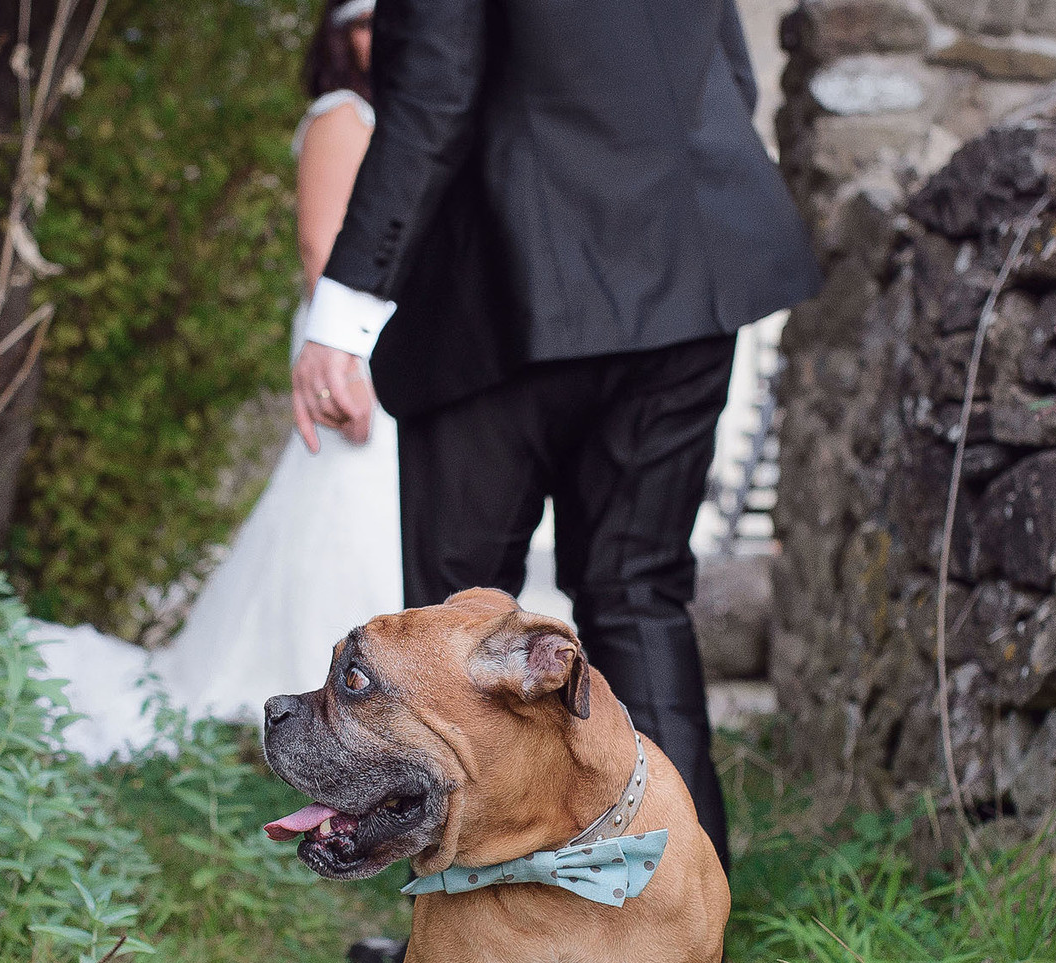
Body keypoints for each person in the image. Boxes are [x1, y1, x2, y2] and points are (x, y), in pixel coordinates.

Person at [290, 0, 819, 876]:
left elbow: (431, 100)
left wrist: (340, 315)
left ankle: (475, 939)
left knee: (459, 624)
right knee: (639, 596)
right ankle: (683, 931)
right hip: (686, 280)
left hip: (496, 300)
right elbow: (730, 75)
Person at [35, 0, 406, 758]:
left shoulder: (397, 124)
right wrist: (349, 360)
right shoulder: (344, 115)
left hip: (382, 340)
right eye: (364, 20)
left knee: (363, 511)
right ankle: (319, 695)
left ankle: (363, 705)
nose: (382, 34)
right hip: (351, 345)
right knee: (341, 503)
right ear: (339, 36)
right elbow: (320, 245)